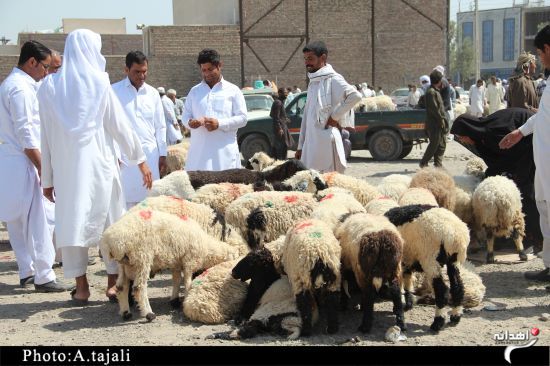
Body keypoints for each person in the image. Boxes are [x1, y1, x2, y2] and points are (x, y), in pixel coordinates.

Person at [37, 29, 153, 304]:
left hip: (68, 172)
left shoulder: (49, 87)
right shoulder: (100, 83)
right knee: (111, 224)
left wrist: (48, 178)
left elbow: (46, 137)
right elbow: (120, 127)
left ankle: (81, 287)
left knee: (73, 223)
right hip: (101, 168)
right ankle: (113, 284)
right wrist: (141, 160)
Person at [0, 41, 71, 292]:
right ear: (31, 62)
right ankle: (44, 274)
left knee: (18, 222)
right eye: (44, 67)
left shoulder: (12, 84)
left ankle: (26, 271)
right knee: (40, 220)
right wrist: (44, 169)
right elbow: (27, 135)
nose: (46, 73)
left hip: (13, 161)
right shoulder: (21, 89)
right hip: (26, 161)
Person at [452, 108, 542, 256]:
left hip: (531, 144)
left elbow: (520, 149)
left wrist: (518, 174)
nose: (461, 140)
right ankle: (502, 233)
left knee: (525, 190)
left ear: (469, 131)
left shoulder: (494, 132)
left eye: (461, 137)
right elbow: (499, 159)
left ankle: (532, 238)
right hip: (520, 150)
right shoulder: (482, 138)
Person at [499, 25, 550, 282]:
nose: (539, 59)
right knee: (546, 213)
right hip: (544, 163)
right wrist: (520, 132)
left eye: (539, 53)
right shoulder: (549, 83)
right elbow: (542, 117)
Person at [295, 41, 361, 173]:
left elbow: (355, 96)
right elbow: (307, 117)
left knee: (329, 184)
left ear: (323, 58)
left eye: (311, 58)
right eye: (305, 59)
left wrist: (334, 117)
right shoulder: (313, 82)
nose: (307, 62)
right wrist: (300, 146)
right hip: (311, 143)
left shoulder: (333, 79)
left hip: (326, 141)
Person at [112, 51, 167, 209]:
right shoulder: (113, 91)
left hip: (150, 155)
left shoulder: (153, 93)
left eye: (144, 72)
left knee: (150, 201)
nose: (142, 76)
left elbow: (160, 125)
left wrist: (162, 153)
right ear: (126, 70)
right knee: (123, 202)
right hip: (123, 157)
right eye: (137, 72)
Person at [182, 48, 247, 171]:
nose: (207, 73)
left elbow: (243, 119)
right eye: (204, 70)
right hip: (198, 157)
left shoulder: (233, 90)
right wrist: (191, 122)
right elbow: (185, 117)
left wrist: (219, 124)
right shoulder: (195, 91)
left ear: (219, 65)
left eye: (210, 69)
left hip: (225, 157)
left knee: (226, 188)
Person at [419, 69, 448, 168]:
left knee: (442, 145)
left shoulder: (436, 91)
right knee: (434, 144)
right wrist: (441, 121)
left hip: (439, 123)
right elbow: (435, 110)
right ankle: (423, 163)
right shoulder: (431, 92)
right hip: (434, 124)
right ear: (439, 81)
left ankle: (438, 164)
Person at [270, 88, 293, 160]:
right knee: (281, 147)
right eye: (284, 93)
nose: (286, 95)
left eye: (287, 93)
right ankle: (281, 162)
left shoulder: (279, 102)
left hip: (282, 127)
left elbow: (273, 115)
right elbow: (275, 117)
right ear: (279, 93)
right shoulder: (278, 103)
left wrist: (284, 119)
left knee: (283, 146)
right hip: (280, 130)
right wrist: (279, 128)